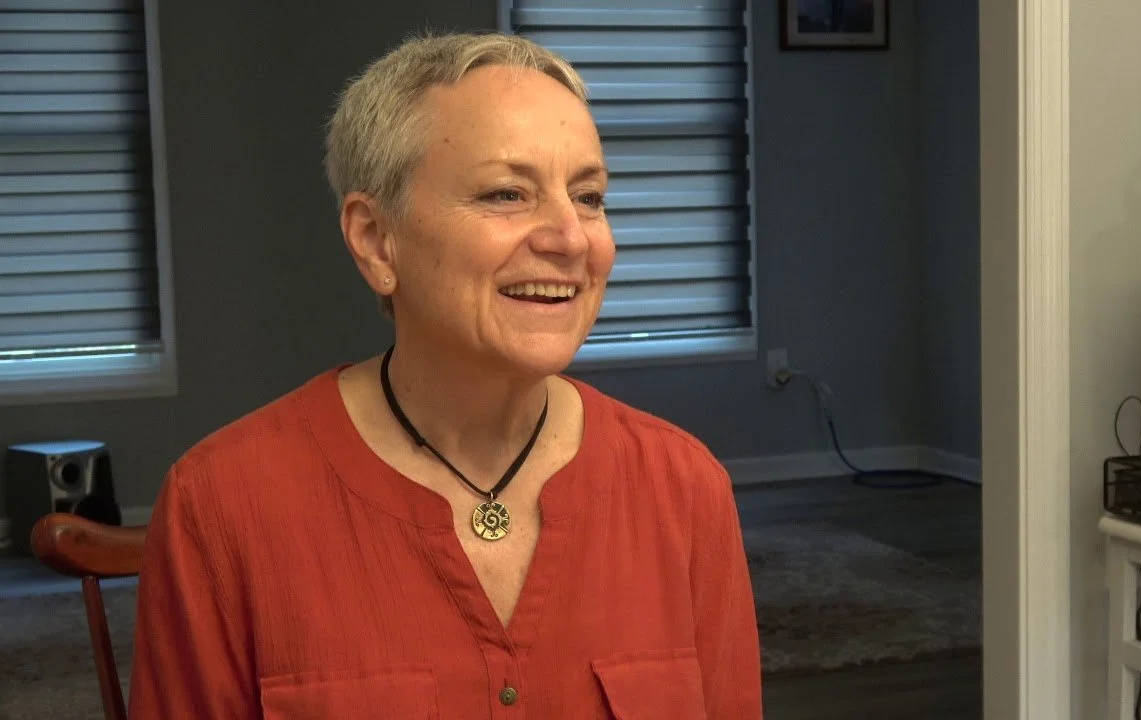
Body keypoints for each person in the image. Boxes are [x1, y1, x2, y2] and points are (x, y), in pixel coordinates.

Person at [127, 30, 762, 718]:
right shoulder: (223, 504)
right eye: (505, 194)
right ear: (375, 240)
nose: (571, 237)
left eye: (589, 196)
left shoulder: (686, 489)